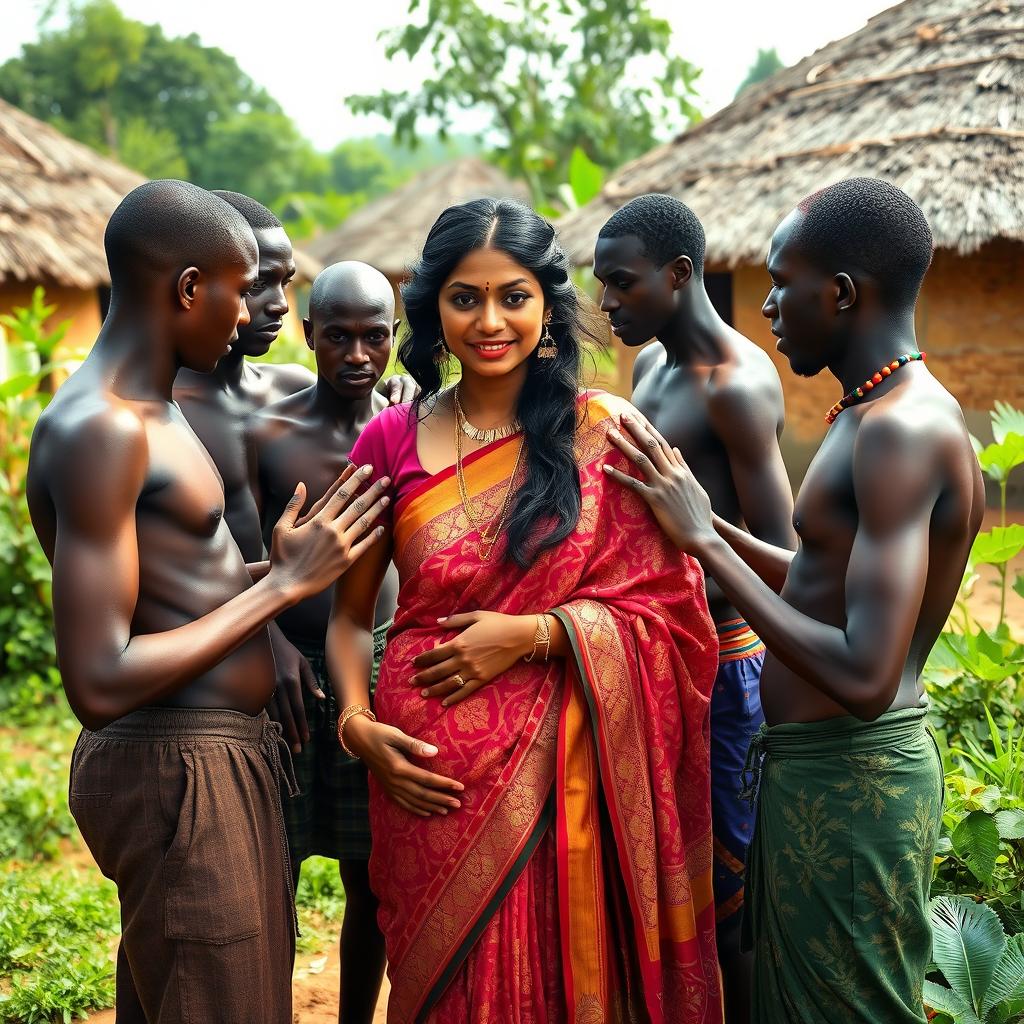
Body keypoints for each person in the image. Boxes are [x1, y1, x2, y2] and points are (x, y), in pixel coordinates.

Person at [325, 198, 723, 1023]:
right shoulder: (389, 440)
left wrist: (541, 634)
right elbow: (351, 616)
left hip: (566, 779)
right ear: (432, 307)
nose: (490, 320)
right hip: (424, 774)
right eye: (465, 298)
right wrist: (357, 725)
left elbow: (673, 616)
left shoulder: (605, 434)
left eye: (514, 295)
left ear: (547, 304)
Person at [604, 177, 985, 1024]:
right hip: (819, 775)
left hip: (855, 781)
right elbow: (819, 582)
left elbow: (865, 675)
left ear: (842, 294)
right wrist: (700, 523)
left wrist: (707, 544)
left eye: (782, 282)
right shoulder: (873, 413)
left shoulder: (899, 432)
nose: (768, 305)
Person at [25, 179, 390, 1024]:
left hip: (216, 760)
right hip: (176, 769)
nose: (250, 313)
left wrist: (278, 570)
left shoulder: (158, 412)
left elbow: (173, 584)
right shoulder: (103, 429)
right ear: (189, 288)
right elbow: (100, 678)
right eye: (241, 288)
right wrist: (283, 590)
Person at [594, 193, 796, 1022]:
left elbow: (790, 564)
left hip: (723, 664)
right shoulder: (649, 371)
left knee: (728, 896)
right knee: (658, 879)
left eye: (621, 283)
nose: (605, 302)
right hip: (650, 658)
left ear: (679, 275)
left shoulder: (737, 387)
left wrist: (699, 534)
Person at [173, 191, 415, 755]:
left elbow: (352, 396)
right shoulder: (167, 411)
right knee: (280, 825)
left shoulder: (282, 388)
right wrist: (266, 637)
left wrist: (404, 394)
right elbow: (207, 558)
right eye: (257, 283)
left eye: (284, 282)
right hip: (250, 644)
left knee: (372, 831)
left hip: (373, 639)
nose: (276, 303)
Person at [247, 261, 399, 1024]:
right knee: (273, 865)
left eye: (375, 337)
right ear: (310, 336)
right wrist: (271, 639)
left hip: (378, 669)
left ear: (395, 339)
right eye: (337, 336)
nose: (357, 356)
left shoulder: (409, 433)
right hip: (283, 676)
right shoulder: (270, 438)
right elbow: (237, 559)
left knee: (371, 875)